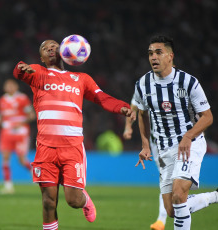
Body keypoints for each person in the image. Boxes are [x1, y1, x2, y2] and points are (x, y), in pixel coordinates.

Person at [13, 39, 135, 230]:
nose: (50, 48)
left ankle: (84, 200)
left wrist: (122, 107)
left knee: (73, 200)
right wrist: (22, 67)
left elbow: (101, 98)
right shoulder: (38, 73)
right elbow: (18, 71)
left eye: (54, 45)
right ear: (42, 58)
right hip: (45, 148)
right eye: (45, 48)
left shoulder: (82, 79)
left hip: (72, 148)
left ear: (64, 51)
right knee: (48, 201)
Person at [133, 35, 218, 230]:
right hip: (164, 151)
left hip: (189, 144)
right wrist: (146, 145)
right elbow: (141, 114)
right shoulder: (142, 84)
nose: (153, 57)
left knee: (179, 194)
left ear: (170, 56)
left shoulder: (188, 82)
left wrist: (188, 136)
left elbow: (207, 117)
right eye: (150, 53)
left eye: (158, 52)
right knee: (172, 210)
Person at [123, 95, 168, 230]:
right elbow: (134, 107)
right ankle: (162, 220)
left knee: (178, 184)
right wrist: (128, 127)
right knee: (166, 179)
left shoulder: (182, 83)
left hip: (180, 142)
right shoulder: (145, 85)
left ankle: (216, 196)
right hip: (157, 143)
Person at [0, 79, 36, 194]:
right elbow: (0, 113)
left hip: (21, 132)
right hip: (6, 132)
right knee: (5, 158)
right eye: (7, 86)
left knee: (21, 160)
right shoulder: (2, 100)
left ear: (16, 87)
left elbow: (31, 115)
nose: (9, 87)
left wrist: (20, 123)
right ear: (4, 88)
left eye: (12, 85)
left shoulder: (22, 98)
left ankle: (33, 172)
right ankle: (8, 186)